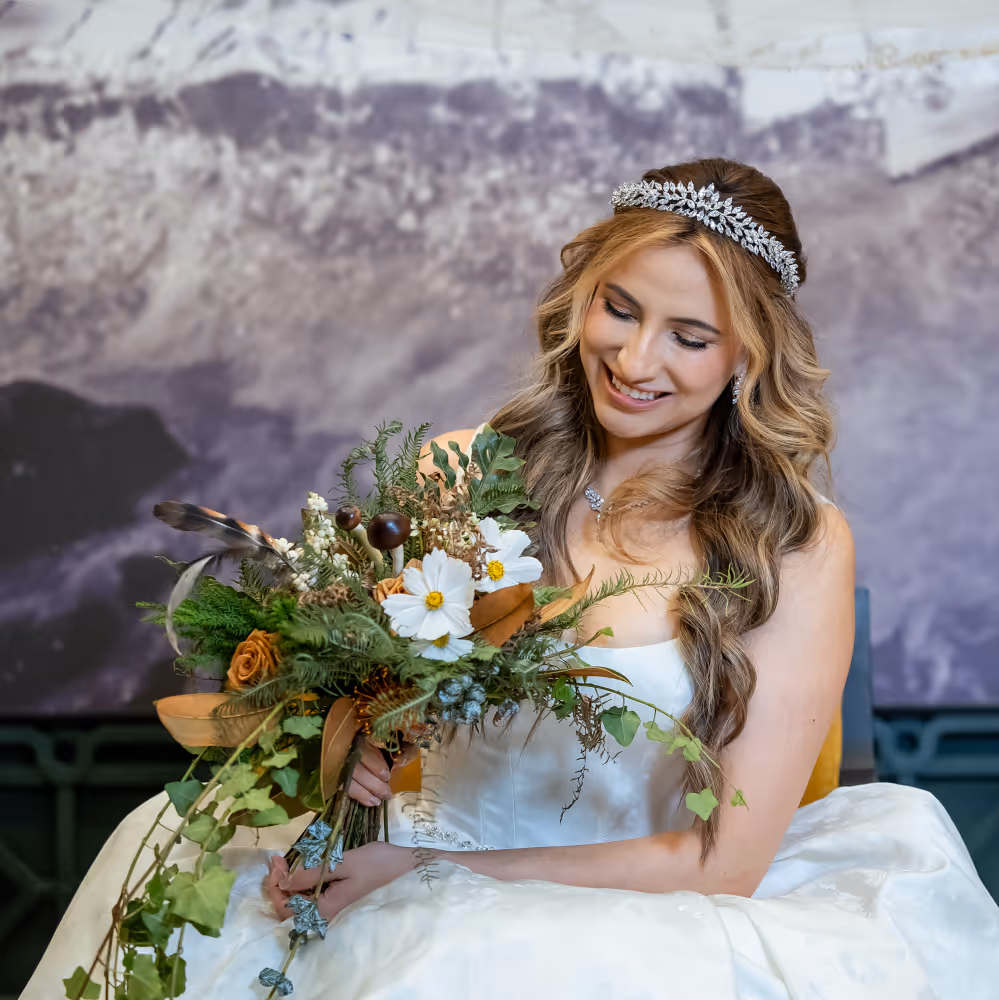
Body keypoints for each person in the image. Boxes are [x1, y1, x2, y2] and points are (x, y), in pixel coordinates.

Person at [23, 158, 999, 999]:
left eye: (689, 337)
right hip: (401, 874)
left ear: (749, 354)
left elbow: (725, 863)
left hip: (651, 915)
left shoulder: (796, 543)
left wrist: (437, 870)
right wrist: (344, 756)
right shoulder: (457, 471)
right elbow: (383, 715)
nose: (634, 356)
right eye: (618, 307)